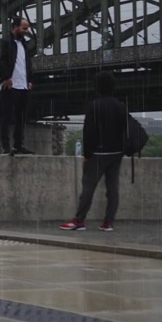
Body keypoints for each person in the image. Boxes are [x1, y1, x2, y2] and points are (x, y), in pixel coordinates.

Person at [60, 72, 127, 232]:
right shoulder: (120, 105)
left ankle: (79, 220)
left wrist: (87, 153)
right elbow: (125, 130)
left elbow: (89, 131)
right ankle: (108, 222)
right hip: (116, 153)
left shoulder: (93, 105)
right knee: (113, 189)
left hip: (98, 153)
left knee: (88, 187)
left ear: (97, 87)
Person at [0, 16, 36, 155]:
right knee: (6, 117)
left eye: (27, 28)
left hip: (23, 86)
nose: (26, 31)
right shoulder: (5, 42)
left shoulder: (24, 44)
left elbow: (26, 64)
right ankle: (6, 147)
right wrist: (6, 77)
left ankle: (18, 145)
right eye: (24, 28)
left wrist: (29, 80)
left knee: (21, 117)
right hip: (10, 85)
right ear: (15, 27)